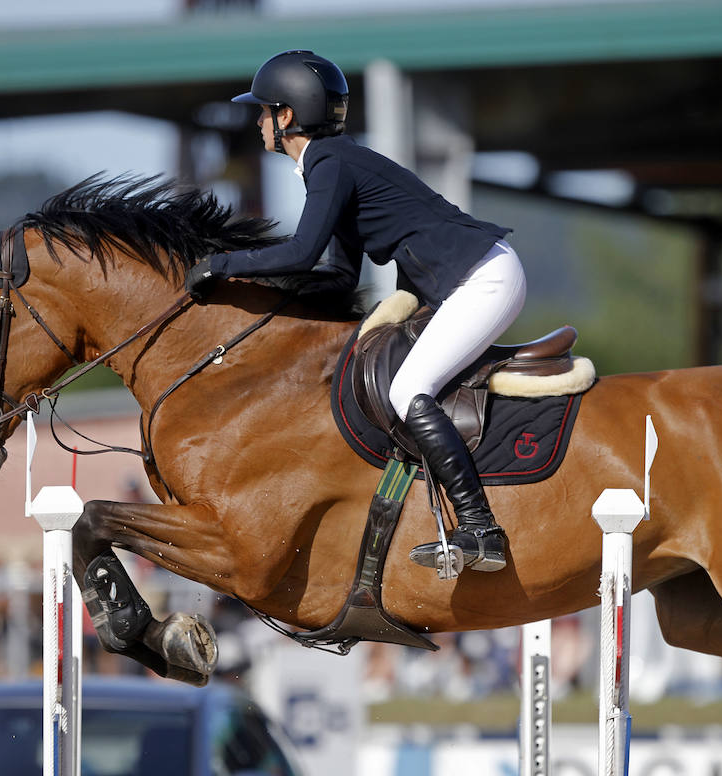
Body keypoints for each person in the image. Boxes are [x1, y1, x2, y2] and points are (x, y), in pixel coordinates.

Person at [186, 49, 527, 573]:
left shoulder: (329, 163)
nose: (257, 122)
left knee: (407, 390)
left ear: (287, 115)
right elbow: (341, 276)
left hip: (483, 279)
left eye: (263, 111)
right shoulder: (331, 163)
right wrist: (263, 296)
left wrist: (223, 264)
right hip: (474, 275)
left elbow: (302, 252)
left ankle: (480, 527)